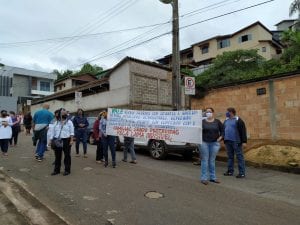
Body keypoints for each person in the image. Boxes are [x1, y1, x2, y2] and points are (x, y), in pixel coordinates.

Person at [199, 107, 223, 185]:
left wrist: (221, 137)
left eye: (209, 112)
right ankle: (204, 178)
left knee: (212, 160)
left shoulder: (217, 122)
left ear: (213, 113)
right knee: (205, 160)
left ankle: (213, 177)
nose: (208, 113)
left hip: (215, 143)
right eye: (207, 112)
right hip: (204, 143)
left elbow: (223, 131)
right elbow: (197, 131)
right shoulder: (202, 122)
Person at [48, 109, 74, 176]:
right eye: (62, 114)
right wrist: (50, 140)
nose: (64, 115)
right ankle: (56, 170)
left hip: (66, 140)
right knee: (57, 156)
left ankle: (67, 170)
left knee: (67, 156)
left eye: (65, 114)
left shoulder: (69, 122)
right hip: (57, 140)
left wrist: (71, 140)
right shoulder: (56, 123)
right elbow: (52, 132)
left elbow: (72, 132)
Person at [223, 107, 247, 178]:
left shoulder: (238, 120)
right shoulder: (226, 120)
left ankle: (242, 173)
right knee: (230, 157)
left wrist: (244, 141)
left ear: (231, 112)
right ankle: (230, 171)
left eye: (227, 112)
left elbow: (243, 131)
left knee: (239, 157)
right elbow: (223, 130)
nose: (226, 113)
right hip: (228, 141)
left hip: (236, 141)